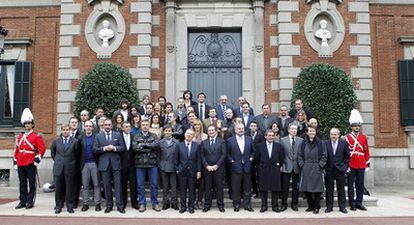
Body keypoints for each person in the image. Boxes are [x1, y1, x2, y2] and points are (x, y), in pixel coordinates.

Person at [14, 108, 46, 210]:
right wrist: (15, 160)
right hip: (20, 162)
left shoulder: (36, 136)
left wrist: (37, 160)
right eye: (26, 123)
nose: (27, 125)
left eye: (29, 123)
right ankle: (22, 201)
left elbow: (42, 149)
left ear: (32, 124)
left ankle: (30, 201)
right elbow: (17, 149)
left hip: (30, 161)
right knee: (22, 183)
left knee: (32, 183)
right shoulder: (20, 136)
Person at [93, 119, 125, 214]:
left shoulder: (117, 135)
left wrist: (114, 148)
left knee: (118, 186)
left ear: (112, 125)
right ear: (103, 126)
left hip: (116, 164)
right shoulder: (98, 136)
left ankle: (120, 206)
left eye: (109, 125)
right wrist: (104, 148)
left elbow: (122, 147)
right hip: (104, 165)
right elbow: (95, 149)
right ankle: (109, 205)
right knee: (106, 186)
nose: (107, 126)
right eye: (105, 125)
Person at [131, 118, 160, 212]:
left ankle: (155, 203)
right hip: (140, 164)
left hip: (152, 163)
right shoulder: (136, 136)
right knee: (140, 185)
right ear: (140, 126)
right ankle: (142, 204)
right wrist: (149, 146)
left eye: (146, 125)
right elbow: (135, 148)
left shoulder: (154, 135)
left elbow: (156, 146)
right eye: (143, 125)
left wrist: (143, 145)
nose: (145, 126)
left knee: (154, 185)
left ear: (149, 126)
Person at [51, 124, 80, 214]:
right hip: (58, 168)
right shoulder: (56, 141)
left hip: (70, 168)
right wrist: (59, 162)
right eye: (63, 130)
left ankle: (70, 206)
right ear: (61, 131)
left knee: (70, 188)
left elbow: (77, 155)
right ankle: (58, 206)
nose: (65, 131)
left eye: (67, 129)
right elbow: (53, 154)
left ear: (70, 130)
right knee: (59, 188)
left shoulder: (75, 141)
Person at [298, 126, 327, 214]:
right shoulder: (302, 143)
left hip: (317, 167)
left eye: (313, 131)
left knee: (317, 189)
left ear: (315, 132)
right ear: (307, 132)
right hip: (306, 168)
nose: (312, 133)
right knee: (306, 189)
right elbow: (299, 155)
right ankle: (310, 205)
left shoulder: (321, 143)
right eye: (310, 131)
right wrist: (302, 165)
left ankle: (316, 207)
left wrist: (320, 165)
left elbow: (324, 155)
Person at [255, 130, 285, 213]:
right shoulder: (259, 146)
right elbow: (257, 158)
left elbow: (281, 158)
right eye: (269, 135)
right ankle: (264, 206)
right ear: (265, 136)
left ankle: (275, 206)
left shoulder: (278, 146)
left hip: (275, 169)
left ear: (274, 136)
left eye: (272, 135)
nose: (271, 137)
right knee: (263, 189)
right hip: (263, 169)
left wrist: (278, 165)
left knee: (275, 189)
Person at [346, 109, 370, 211]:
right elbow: (345, 153)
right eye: (355, 125)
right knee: (350, 185)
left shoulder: (363, 137)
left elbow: (366, 150)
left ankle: (359, 202)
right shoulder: (347, 137)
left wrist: (367, 163)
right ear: (351, 126)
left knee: (360, 185)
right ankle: (352, 203)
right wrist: (346, 165)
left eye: (358, 126)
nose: (357, 127)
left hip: (361, 164)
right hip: (351, 164)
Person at [227, 123, 255, 212]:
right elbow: (227, 154)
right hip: (235, 167)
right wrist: (232, 161)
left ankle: (247, 205)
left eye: (242, 128)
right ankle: (236, 204)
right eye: (239, 128)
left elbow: (253, 152)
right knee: (236, 187)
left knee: (247, 187)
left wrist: (251, 159)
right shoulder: (230, 140)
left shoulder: (249, 139)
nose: (241, 130)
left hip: (247, 166)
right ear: (235, 130)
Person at [200, 125, 227, 213]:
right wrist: (207, 166)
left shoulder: (222, 141)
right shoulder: (204, 142)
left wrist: (216, 165)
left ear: (216, 131)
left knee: (219, 188)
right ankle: (207, 205)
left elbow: (223, 155)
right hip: (207, 169)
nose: (211, 132)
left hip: (218, 169)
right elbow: (202, 155)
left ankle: (221, 205)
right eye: (209, 130)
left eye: (212, 130)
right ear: (207, 132)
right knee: (207, 188)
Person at [175, 129, 202, 214]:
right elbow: (176, 159)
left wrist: (199, 171)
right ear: (184, 134)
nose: (189, 135)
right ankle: (183, 207)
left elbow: (198, 160)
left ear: (193, 136)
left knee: (192, 190)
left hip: (193, 171)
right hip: (182, 171)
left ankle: (191, 206)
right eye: (187, 133)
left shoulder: (196, 145)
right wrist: (177, 169)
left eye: (191, 134)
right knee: (182, 190)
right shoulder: (179, 145)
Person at [324, 128, 350, 214]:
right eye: (332, 134)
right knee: (329, 190)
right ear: (330, 135)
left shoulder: (344, 143)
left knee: (341, 189)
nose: (333, 136)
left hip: (340, 170)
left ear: (338, 135)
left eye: (335, 134)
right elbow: (323, 156)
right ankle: (329, 207)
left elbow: (347, 157)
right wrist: (325, 168)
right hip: (329, 170)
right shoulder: (325, 143)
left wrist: (345, 167)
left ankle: (342, 207)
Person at [280, 123, 303, 211]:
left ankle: (294, 203)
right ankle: (284, 204)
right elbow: (281, 153)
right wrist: (281, 164)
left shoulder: (301, 140)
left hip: (297, 167)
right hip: (286, 166)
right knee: (285, 186)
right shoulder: (283, 140)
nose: (294, 130)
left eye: (295, 129)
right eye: (292, 129)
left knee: (295, 187)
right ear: (289, 130)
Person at [79, 121, 101, 212]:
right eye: (87, 126)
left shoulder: (97, 137)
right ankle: (85, 203)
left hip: (95, 163)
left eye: (90, 126)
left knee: (96, 184)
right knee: (85, 185)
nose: (88, 128)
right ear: (84, 127)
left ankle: (97, 204)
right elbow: (78, 152)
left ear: (92, 128)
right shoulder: (80, 138)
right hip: (84, 164)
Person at [159, 125, 180, 210]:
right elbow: (158, 155)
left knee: (174, 186)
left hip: (174, 167)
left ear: (172, 132)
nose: (168, 132)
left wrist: (178, 166)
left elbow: (179, 155)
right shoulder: (160, 142)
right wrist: (160, 164)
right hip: (163, 166)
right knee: (165, 186)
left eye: (169, 131)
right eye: (166, 131)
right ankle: (165, 202)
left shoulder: (177, 142)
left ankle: (174, 203)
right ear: (164, 132)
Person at [120, 121, 138, 210]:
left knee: (133, 184)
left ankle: (134, 203)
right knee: (123, 184)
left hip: (132, 164)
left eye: (129, 126)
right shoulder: (118, 137)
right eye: (126, 127)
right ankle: (124, 202)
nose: (128, 128)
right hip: (122, 165)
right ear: (122, 128)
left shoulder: (134, 136)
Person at [249, 121, 265, 198]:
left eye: (254, 126)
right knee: (252, 176)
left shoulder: (261, 135)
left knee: (260, 175)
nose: (253, 127)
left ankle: (261, 191)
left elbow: (262, 147)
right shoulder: (247, 135)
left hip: (259, 158)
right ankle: (254, 191)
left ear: (257, 127)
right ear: (249, 127)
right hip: (250, 159)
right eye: (251, 126)